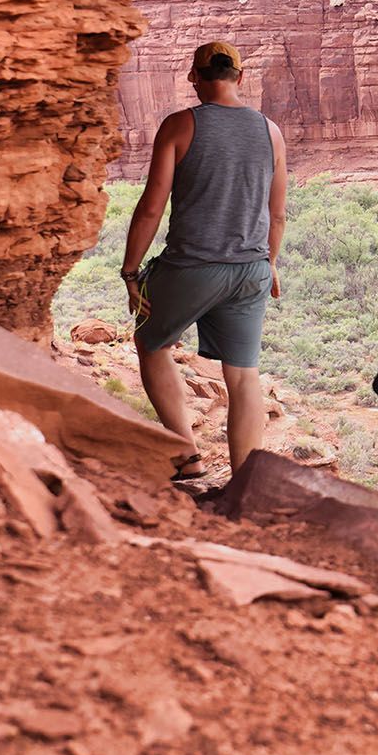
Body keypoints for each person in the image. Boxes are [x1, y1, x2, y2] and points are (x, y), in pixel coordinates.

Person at [123, 41, 288, 480]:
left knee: (151, 342)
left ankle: (187, 455)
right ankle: (246, 485)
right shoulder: (270, 130)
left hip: (192, 268)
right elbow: (277, 213)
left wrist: (131, 271)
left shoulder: (181, 125)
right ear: (240, 76)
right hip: (251, 270)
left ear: (195, 77)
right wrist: (268, 262)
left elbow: (151, 208)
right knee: (243, 377)